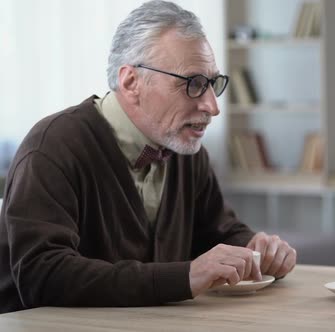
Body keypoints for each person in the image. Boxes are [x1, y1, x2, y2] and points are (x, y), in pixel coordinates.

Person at [0, 0, 296, 314]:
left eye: (212, 83)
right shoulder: (52, 148)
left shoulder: (187, 151)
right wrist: (185, 276)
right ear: (131, 82)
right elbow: (42, 275)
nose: (212, 106)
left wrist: (257, 250)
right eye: (193, 84)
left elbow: (217, 233)